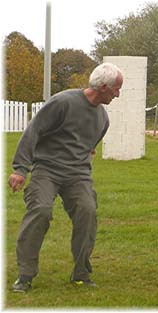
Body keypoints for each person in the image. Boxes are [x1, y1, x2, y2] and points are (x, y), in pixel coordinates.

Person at [8, 62, 123, 292]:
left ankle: (81, 273)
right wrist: (21, 169)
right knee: (40, 211)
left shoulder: (103, 119)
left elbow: (90, 145)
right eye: (116, 89)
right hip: (47, 169)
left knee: (87, 211)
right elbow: (34, 131)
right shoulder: (63, 102)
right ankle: (25, 275)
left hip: (78, 174)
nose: (117, 94)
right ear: (102, 86)